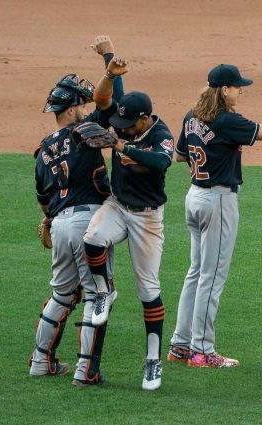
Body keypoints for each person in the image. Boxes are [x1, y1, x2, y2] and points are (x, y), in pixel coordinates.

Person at [167, 63, 262, 368]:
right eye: (237, 86)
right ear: (224, 90)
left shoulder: (191, 116)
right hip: (218, 201)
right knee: (211, 279)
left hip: (194, 196)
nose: (240, 90)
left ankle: (180, 344)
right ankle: (201, 351)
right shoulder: (227, 120)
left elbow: (180, 155)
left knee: (195, 274)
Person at [29, 35, 126, 388]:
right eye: (81, 105)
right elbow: (109, 100)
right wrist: (110, 63)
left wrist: (49, 219)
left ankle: (41, 362)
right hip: (89, 224)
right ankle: (87, 370)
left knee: (61, 295)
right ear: (71, 110)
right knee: (99, 295)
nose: (86, 109)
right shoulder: (85, 131)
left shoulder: (42, 151)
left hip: (60, 226)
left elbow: (43, 197)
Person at [82, 71, 174, 390]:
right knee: (93, 238)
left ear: (145, 119)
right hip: (118, 205)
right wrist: (110, 66)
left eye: (129, 126)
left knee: (149, 291)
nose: (121, 130)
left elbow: (162, 162)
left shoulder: (161, 133)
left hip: (147, 219)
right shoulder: (125, 118)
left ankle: (152, 362)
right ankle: (104, 291)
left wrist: (121, 147)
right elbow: (105, 96)